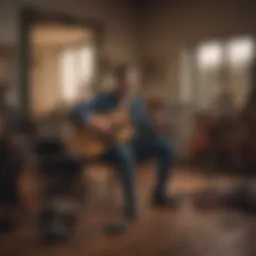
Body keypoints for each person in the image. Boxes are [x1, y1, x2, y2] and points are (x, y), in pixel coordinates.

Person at [70, 65, 176, 232]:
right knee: (124, 153)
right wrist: (96, 122)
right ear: (117, 81)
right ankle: (130, 207)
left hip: (134, 147)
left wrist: (156, 127)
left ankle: (159, 195)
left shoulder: (138, 104)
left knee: (166, 147)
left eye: (132, 81)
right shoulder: (103, 100)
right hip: (107, 149)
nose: (129, 84)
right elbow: (76, 112)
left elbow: (144, 132)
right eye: (125, 81)